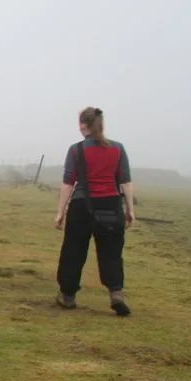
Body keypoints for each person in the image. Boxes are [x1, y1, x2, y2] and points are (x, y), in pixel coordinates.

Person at [54, 107, 135, 316]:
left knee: (73, 251)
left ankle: (68, 296)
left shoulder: (76, 150)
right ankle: (116, 294)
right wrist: (130, 210)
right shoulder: (118, 149)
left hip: (82, 206)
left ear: (83, 126)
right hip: (111, 205)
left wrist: (60, 211)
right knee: (112, 252)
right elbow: (125, 181)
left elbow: (68, 183)